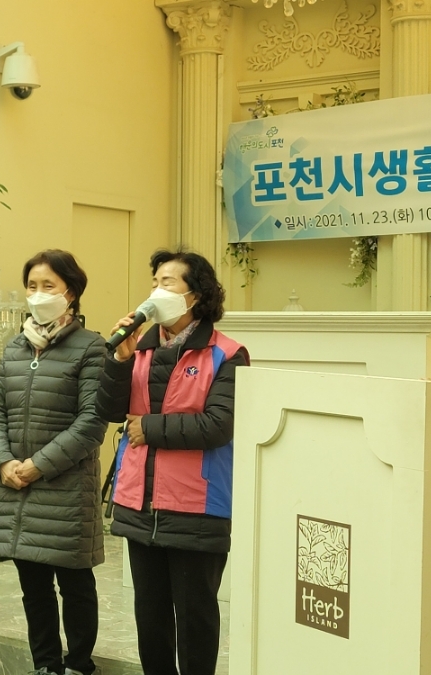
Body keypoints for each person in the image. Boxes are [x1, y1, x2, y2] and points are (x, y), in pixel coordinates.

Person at [96, 249, 249, 675]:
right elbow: (110, 410)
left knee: (196, 619)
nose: (156, 291)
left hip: (196, 505)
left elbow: (217, 425)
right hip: (139, 501)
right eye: (154, 282)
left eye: (167, 283)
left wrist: (149, 427)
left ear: (195, 295)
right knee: (151, 618)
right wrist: (119, 360)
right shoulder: (139, 348)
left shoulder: (227, 354)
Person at [0, 249, 107, 675]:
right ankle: (46, 666)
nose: (37, 294)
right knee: (33, 587)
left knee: (75, 583)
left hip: (65, 488)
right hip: (16, 486)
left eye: (47, 285)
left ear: (70, 292)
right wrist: (2, 461)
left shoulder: (91, 347)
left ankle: (79, 664)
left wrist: (38, 465)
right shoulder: (15, 348)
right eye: (32, 285)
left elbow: (91, 421)